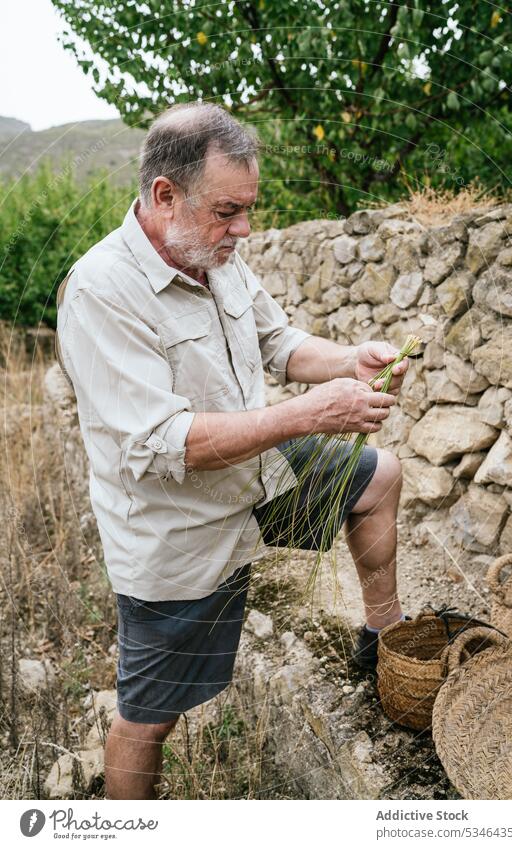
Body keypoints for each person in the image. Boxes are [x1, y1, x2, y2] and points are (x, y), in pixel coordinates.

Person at [55, 102, 409, 800]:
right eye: (228, 211)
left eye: (247, 209)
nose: (243, 230)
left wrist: (350, 361)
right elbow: (168, 445)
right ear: (165, 196)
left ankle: (385, 641)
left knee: (379, 476)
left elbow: (277, 343)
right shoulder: (102, 292)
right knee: (147, 718)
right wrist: (304, 414)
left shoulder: (214, 254)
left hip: (255, 478)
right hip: (176, 530)